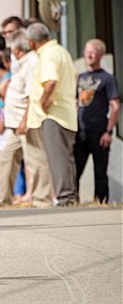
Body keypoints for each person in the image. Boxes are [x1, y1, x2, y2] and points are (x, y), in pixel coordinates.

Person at [0, 29, 53, 207]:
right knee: (7, 157)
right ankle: (0, 199)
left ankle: (42, 199)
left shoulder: (32, 62)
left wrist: (24, 120)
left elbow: (31, 95)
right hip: (14, 122)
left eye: (12, 48)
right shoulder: (20, 63)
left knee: (35, 159)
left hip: (25, 121)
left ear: (17, 49)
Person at [27, 22, 79, 207]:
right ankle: (70, 195)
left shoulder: (48, 54)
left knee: (58, 158)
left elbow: (50, 81)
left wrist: (43, 101)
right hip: (66, 111)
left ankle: (66, 197)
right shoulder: (61, 51)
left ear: (32, 42)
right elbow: (74, 76)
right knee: (66, 157)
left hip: (53, 113)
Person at [75, 38, 121, 204]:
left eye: (93, 51)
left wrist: (109, 131)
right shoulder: (79, 77)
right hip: (80, 131)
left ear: (100, 54)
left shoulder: (107, 79)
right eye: (87, 51)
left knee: (100, 172)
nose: (89, 54)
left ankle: (100, 203)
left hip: (99, 131)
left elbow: (115, 106)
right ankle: (72, 202)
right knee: (75, 170)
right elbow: (74, 102)